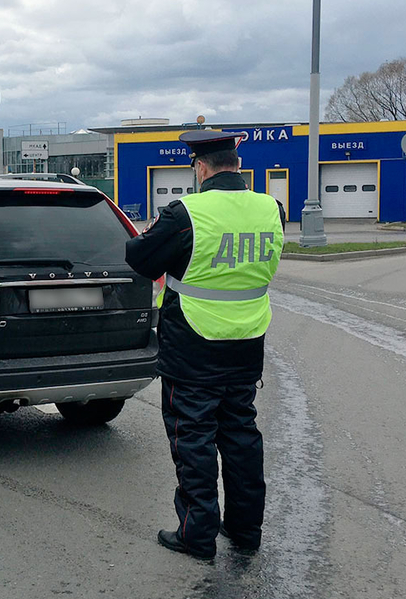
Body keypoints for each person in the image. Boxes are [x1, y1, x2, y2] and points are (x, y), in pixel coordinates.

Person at [125, 130, 285, 560]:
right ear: (236, 165)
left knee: (193, 438)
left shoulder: (186, 214)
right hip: (247, 342)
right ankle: (246, 532)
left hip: (193, 346)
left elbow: (139, 258)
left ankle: (197, 535)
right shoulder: (272, 208)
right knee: (241, 437)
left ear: (200, 168)